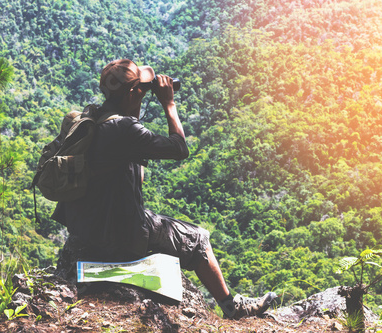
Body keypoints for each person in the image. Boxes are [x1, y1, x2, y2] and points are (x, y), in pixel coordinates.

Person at [52, 59, 276, 319]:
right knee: (198, 240)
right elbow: (179, 148)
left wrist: (133, 103)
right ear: (132, 93)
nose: (146, 92)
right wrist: (169, 103)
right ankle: (232, 306)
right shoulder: (124, 129)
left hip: (86, 229)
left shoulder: (93, 119)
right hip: (119, 231)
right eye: (141, 89)